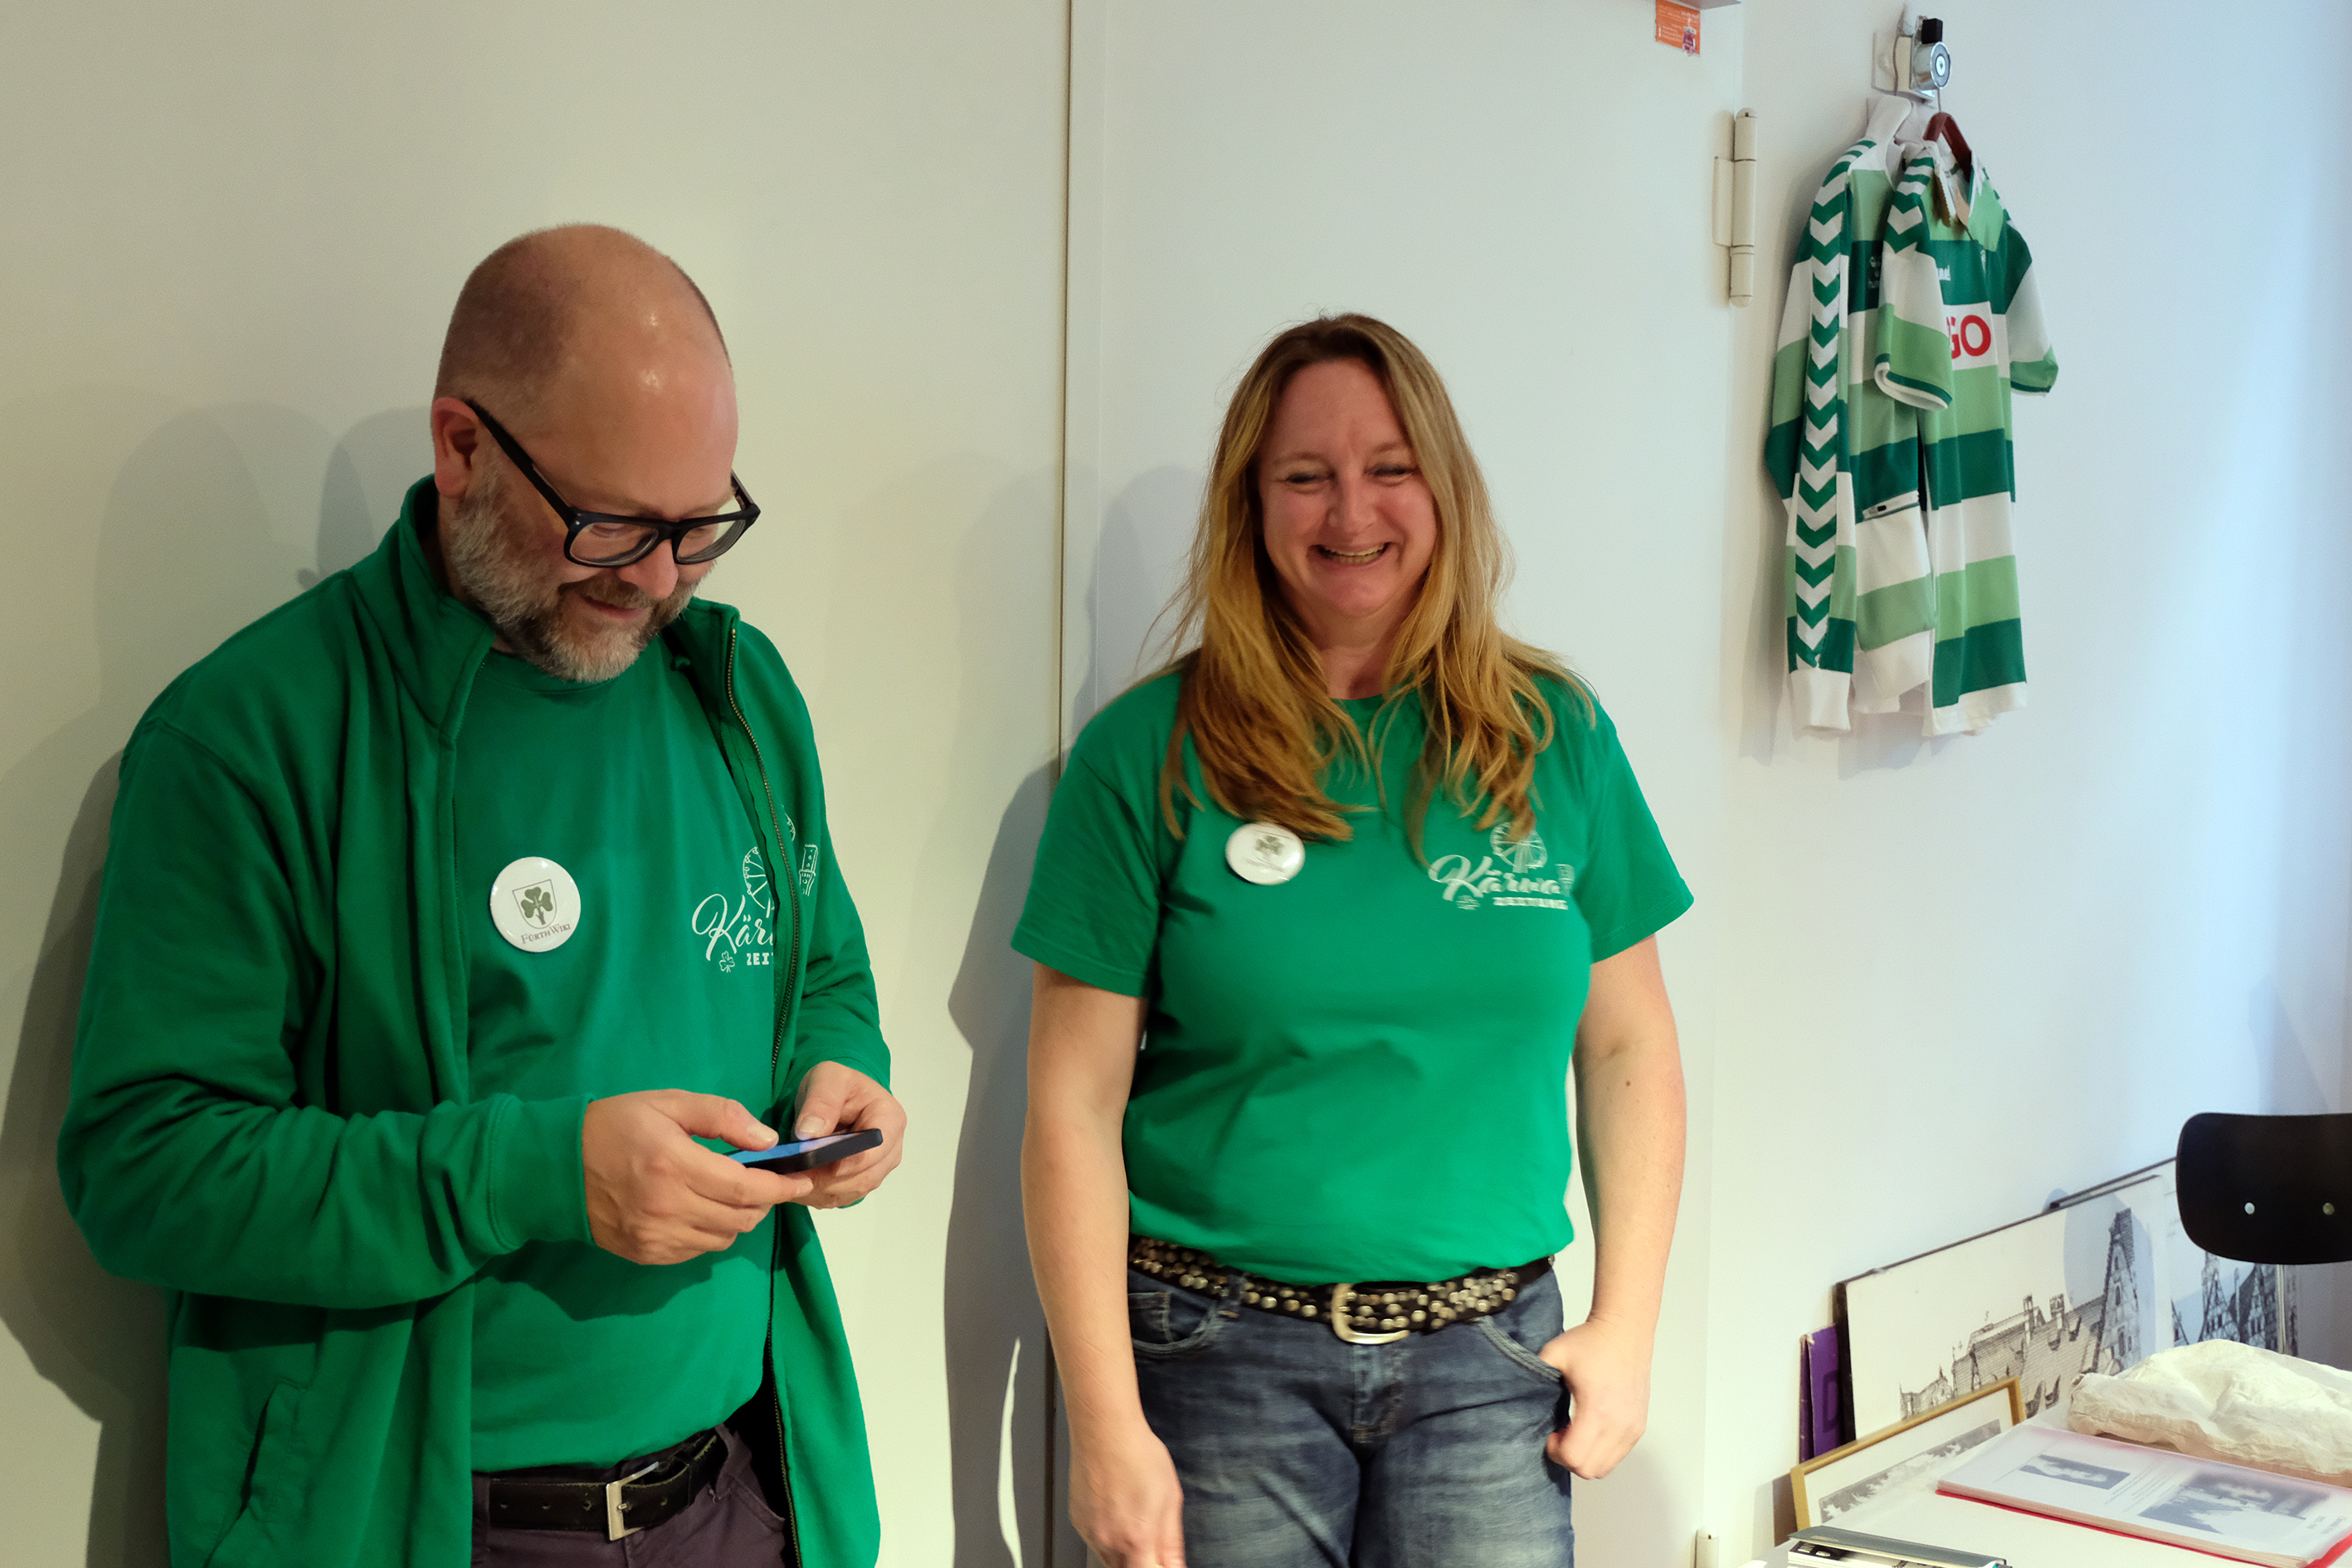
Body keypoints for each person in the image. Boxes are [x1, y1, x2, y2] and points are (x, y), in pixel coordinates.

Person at [57, 226, 904, 1568]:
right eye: (613, 525)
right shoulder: (251, 738)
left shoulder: (741, 696)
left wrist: (840, 1071)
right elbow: (143, 1169)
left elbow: (822, 973)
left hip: (741, 1492)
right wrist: (532, 1175)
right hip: (428, 1520)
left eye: (701, 528)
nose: (660, 580)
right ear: (461, 447)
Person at [1016, 314, 1691, 1567]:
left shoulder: (1555, 737)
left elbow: (1628, 1047)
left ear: (1445, 489)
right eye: (1305, 475)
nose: (1351, 511)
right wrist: (1105, 1424)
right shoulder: (1146, 752)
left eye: (1390, 468)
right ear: (1251, 503)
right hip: (1218, 1361)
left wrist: (1629, 1326)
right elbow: (1070, 1103)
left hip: (1494, 1362)